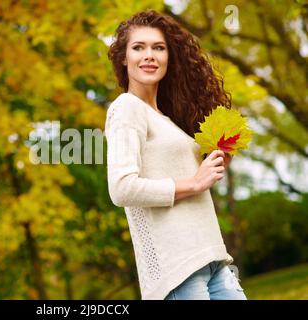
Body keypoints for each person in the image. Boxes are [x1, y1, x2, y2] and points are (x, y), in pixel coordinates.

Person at [105, 10, 246, 300]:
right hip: (177, 270)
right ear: (123, 57)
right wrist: (194, 182)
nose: (149, 55)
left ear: (170, 57)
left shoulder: (167, 119)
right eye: (138, 47)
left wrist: (213, 167)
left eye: (159, 48)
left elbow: (187, 182)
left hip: (213, 258)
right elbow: (121, 188)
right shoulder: (126, 108)